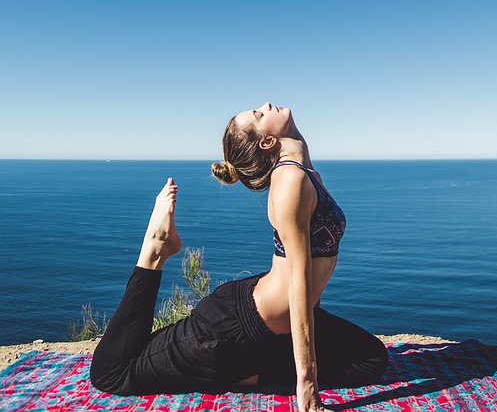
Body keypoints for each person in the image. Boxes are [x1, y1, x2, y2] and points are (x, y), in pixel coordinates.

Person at [89, 102, 388, 411]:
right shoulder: (290, 182)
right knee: (113, 373)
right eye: (259, 114)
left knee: (371, 359)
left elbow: (308, 279)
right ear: (267, 142)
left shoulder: (304, 174)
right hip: (231, 329)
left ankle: (242, 371)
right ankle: (154, 251)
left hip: (272, 325)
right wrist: (307, 388)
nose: (266, 106)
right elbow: (298, 284)